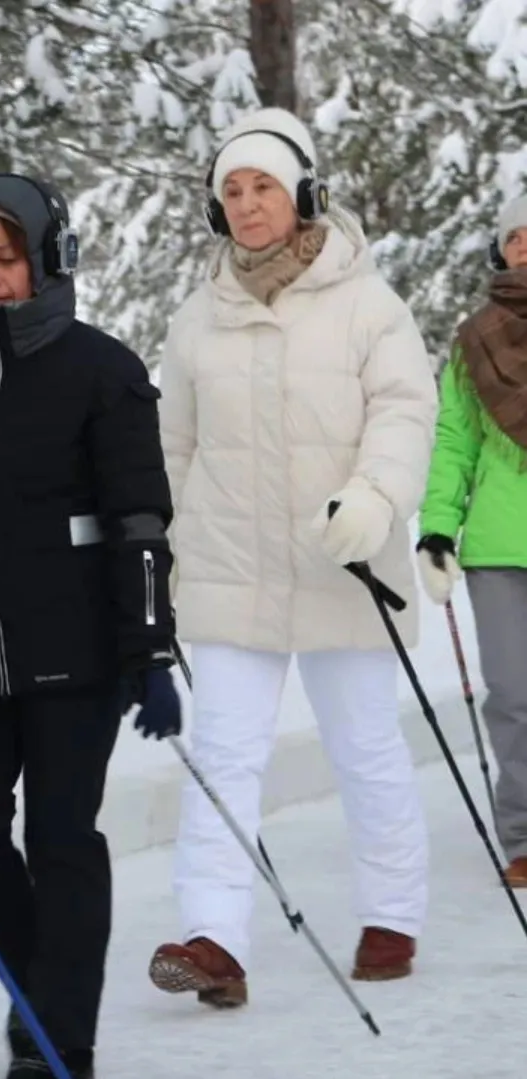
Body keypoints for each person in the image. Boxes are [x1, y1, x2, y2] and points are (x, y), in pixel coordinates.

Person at [150, 106, 438, 1007]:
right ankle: (211, 938)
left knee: (362, 748)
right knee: (225, 753)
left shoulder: (366, 304)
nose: (245, 204)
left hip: (340, 561)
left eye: (262, 186)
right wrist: (171, 543)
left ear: (303, 192)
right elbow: (175, 448)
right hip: (230, 567)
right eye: (230, 191)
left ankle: (391, 914)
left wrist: (377, 496)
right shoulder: (199, 317)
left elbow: (403, 411)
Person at [0, 174, 181, 1079]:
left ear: (47, 260)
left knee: (61, 841)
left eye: (7, 258)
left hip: (74, 656)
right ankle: (36, 986)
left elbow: (137, 517)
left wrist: (146, 644)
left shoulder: (100, 369)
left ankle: (61, 1035)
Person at [417, 193, 527, 889]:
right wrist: (436, 525)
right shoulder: (472, 336)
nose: (526, 247)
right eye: (516, 237)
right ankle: (521, 833)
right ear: (500, 249)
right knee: (513, 695)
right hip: (494, 545)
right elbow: (454, 440)